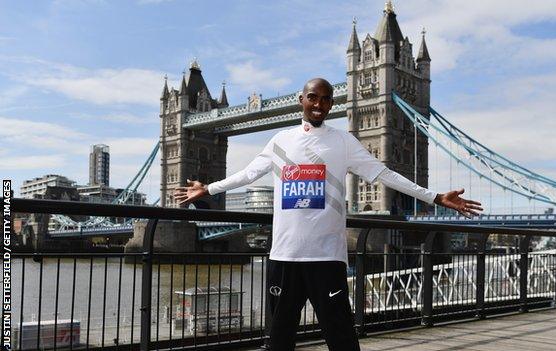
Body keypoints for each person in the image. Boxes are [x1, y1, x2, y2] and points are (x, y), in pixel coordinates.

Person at [174, 78, 483, 351]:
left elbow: (384, 174)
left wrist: (435, 196)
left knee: (342, 339)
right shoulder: (280, 142)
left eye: (325, 98)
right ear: (302, 100)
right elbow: (247, 174)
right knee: (279, 340)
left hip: (327, 258)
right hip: (285, 257)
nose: (319, 104)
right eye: (313, 97)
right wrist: (209, 189)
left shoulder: (343, 141)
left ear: (332, 103)